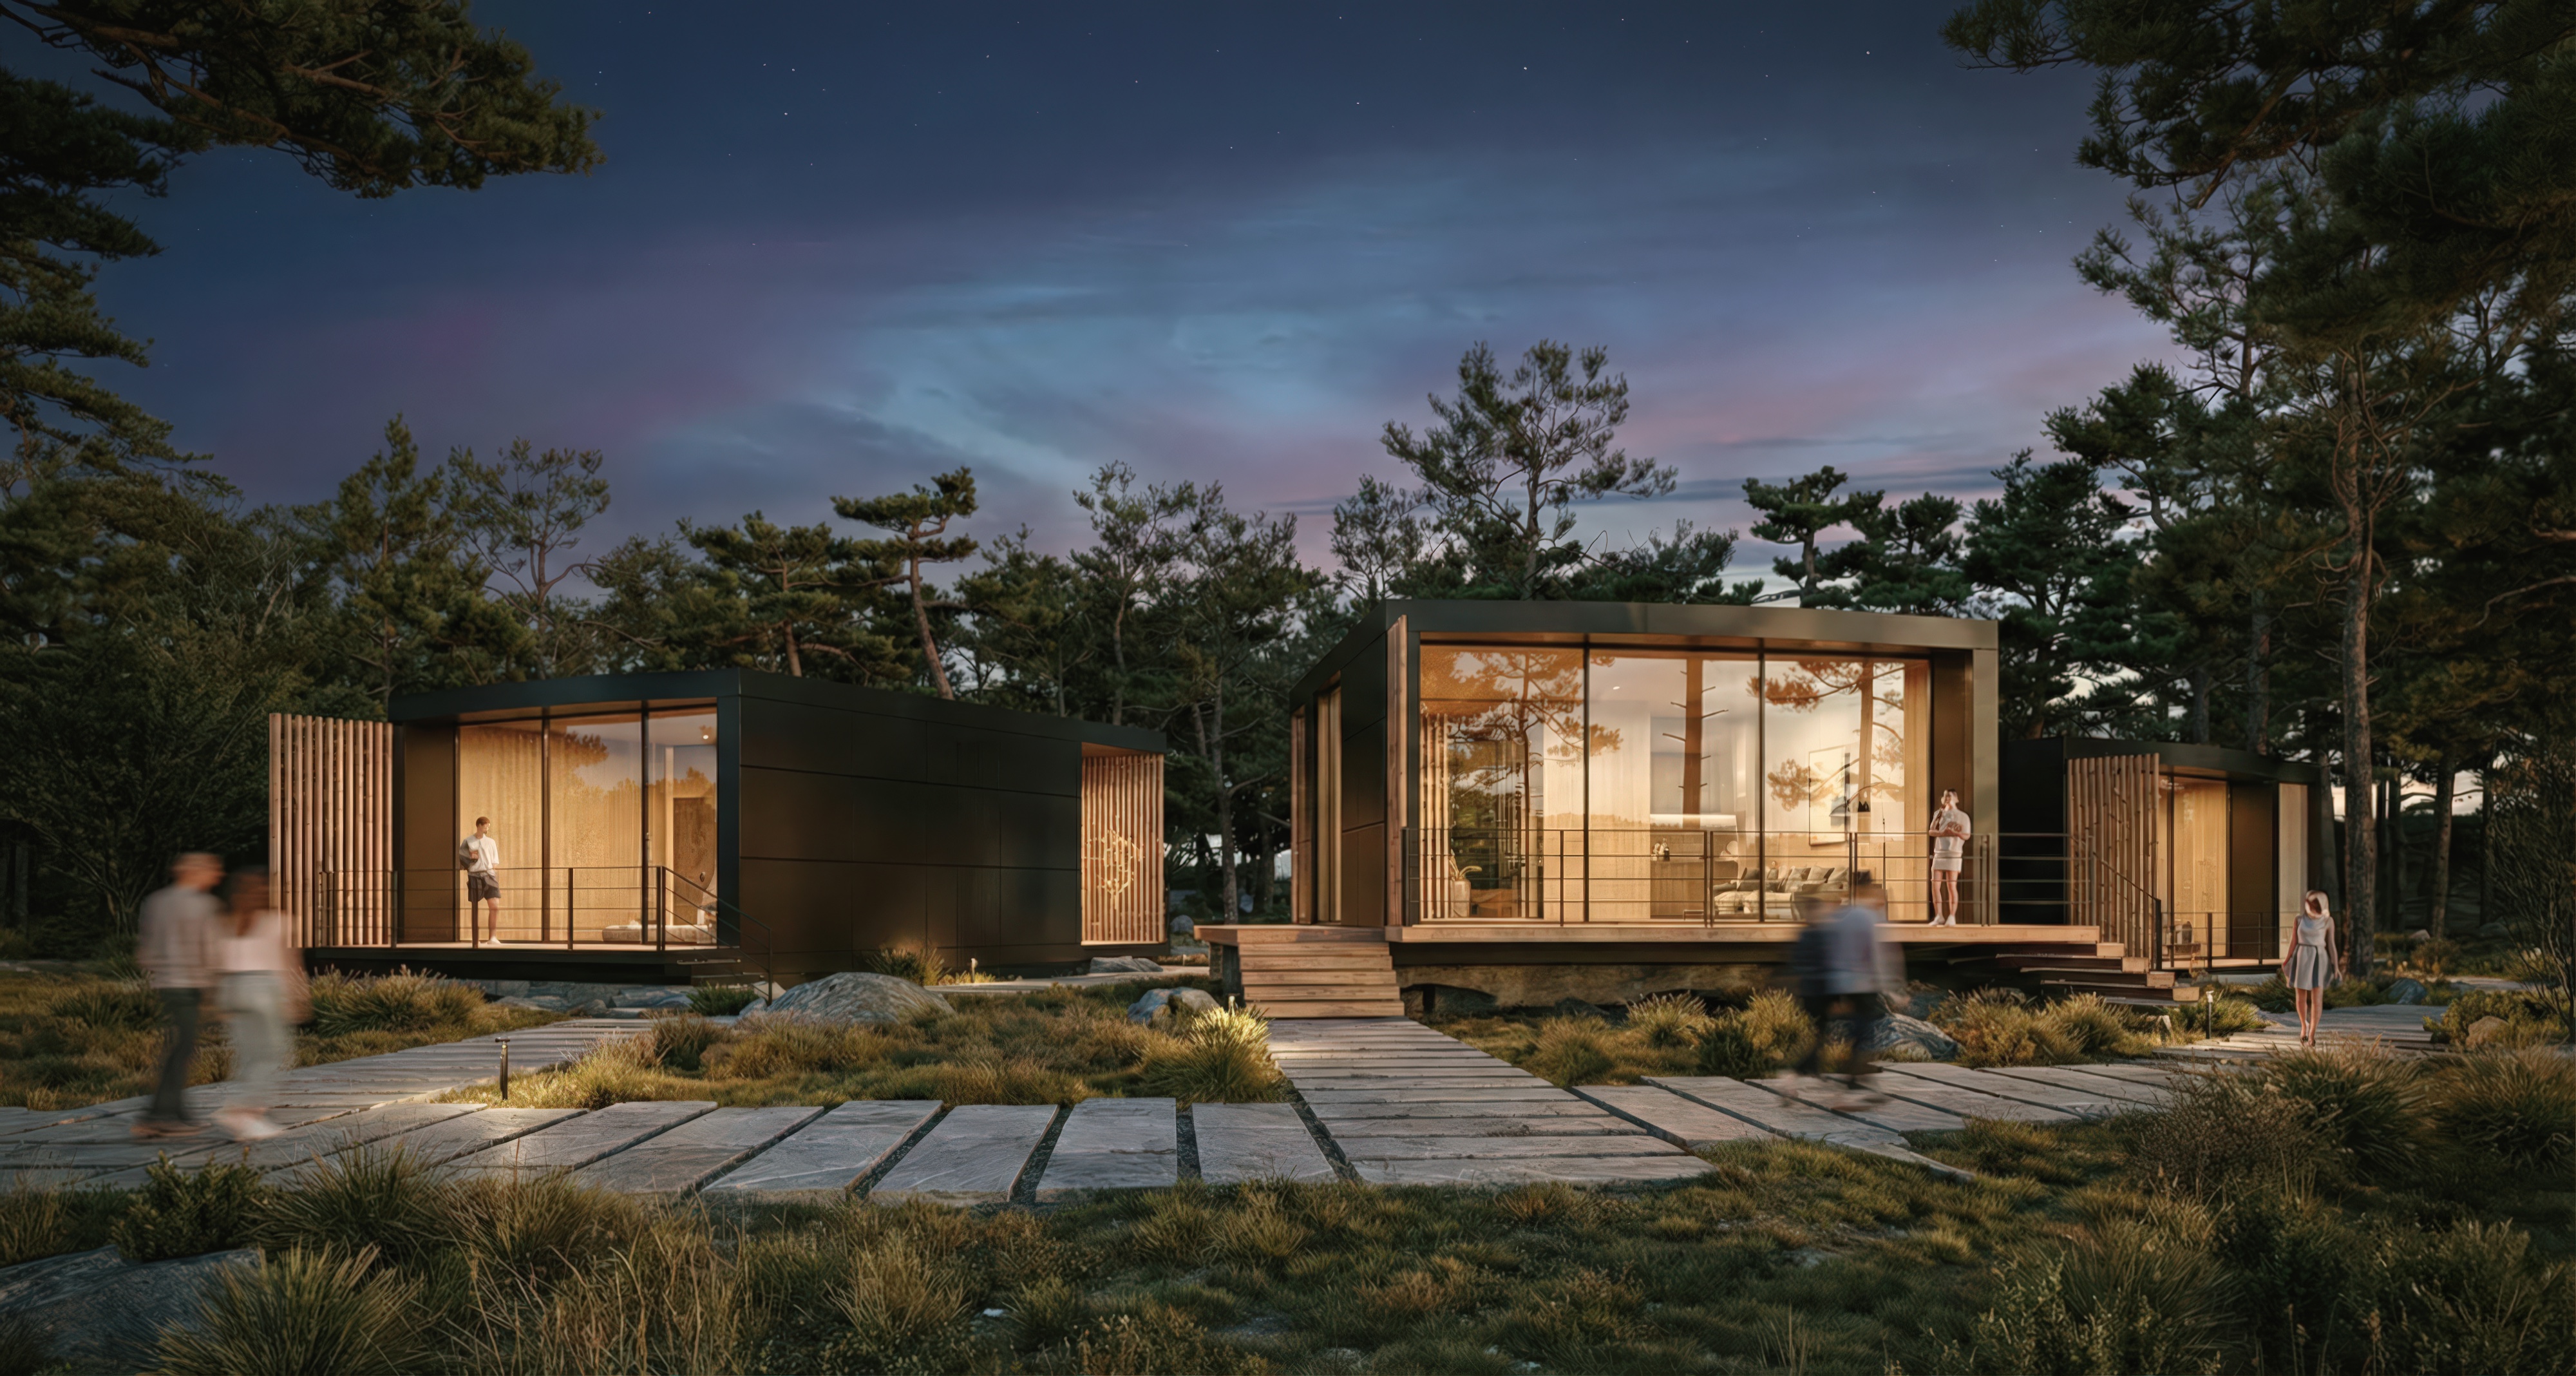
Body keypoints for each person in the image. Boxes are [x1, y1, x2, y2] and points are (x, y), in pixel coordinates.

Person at [1786, 877, 1901, 1107]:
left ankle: (1857, 1084)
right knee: (1864, 1034)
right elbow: (1876, 955)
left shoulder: (1841, 917)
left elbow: (1832, 952)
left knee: (1856, 1034)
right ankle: (1853, 1086)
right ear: (1869, 891)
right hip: (1864, 984)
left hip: (1841, 984)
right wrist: (1891, 988)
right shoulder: (1868, 918)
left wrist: (1834, 985)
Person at [211, 866, 306, 1140]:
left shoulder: (226, 921)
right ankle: (243, 1111)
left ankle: (243, 1115)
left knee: (248, 1054)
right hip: (263, 989)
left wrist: (218, 1000)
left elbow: (216, 961)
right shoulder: (279, 921)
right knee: (273, 1053)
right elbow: (290, 963)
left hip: (233, 989)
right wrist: (298, 997)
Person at [135, 852, 222, 1138]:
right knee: (182, 1048)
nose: (218, 876)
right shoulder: (205, 905)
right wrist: (214, 986)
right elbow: (209, 950)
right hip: (189, 984)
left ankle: (178, 1111)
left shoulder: (157, 901)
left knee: (181, 1047)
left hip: (166, 984)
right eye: (213, 870)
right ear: (195, 872)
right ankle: (159, 1115)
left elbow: (145, 948)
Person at [2286, 889, 2342, 1047]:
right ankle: (2304, 1025)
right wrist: (2287, 960)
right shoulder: (2299, 919)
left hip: (2319, 958)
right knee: (2300, 997)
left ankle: (2312, 1033)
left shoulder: (2328, 921)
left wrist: (2336, 967)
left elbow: (2331, 945)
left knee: (2317, 998)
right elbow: (2293, 942)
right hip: (2302, 955)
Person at [1927, 788, 1970, 926]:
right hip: (1939, 852)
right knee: (1936, 885)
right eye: (1945, 796)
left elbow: (1967, 835)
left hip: (1954, 853)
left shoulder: (1963, 816)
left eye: (1950, 796)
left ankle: (1952, 916)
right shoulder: (1939, 814)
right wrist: (1944, 833)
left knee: (1952, 885)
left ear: (1956, 798)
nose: (1947, 798)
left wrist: (1955, 834)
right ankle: (1939, 915)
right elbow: (1931, 831)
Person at [462, 816, 500, 943]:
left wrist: (491, 871)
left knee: (495, 905)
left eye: (488, 826)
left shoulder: (491, 842)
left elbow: (495, 861)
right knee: (475, 907)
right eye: (486, 826)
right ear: (479, 825)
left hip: (489, 874)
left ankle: (493, 937)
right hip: (474, 875)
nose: (487, 828)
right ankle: (475, 939)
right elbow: (462, 860)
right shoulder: (468, 841)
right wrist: (469, 864)